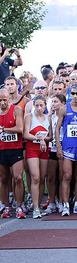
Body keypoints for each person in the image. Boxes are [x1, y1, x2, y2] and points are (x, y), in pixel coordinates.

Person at [55, 84, 77, 216]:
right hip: (67, 147)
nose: (75, 96)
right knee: (67, 176)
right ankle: (65, 205)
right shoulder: (64, 109)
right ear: (70, 95)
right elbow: (57, 128)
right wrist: (59, 147)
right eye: (73, 94)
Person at [23, 95, 52, 218]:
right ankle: (35, 207)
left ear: (45, 105)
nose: (39, 108)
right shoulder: (29, 117)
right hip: (32, 149)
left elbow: (50, 136)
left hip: (44, 149)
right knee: (35, 177)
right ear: (33, 106)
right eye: (36, 105)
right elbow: (25, 134)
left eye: (41, 105)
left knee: (42, 178)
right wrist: (38, 138)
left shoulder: (48, 118)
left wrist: (43, 139)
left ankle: (38, 205)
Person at [0, 89, 25, 219]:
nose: (2, 103)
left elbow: (20, 128)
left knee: (18, 178)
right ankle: (6, 206)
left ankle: (19, 206)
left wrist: (4, 129)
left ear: (9, 99)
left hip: (15, 149)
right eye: (0, 100)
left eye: (4, 100)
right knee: (3, 179)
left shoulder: (16, 110)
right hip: (1, 149)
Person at [45, 94, 66, 214]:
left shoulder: (66, 116)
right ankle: (52, 202)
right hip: (52, 149)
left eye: (56, 101)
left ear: (63, 103)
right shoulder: (50, 117)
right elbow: (49, 135)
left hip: (64, 149)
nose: (53, 104)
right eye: (52, 102)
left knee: (62, 176)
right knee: (51, 177)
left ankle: (63, 201)